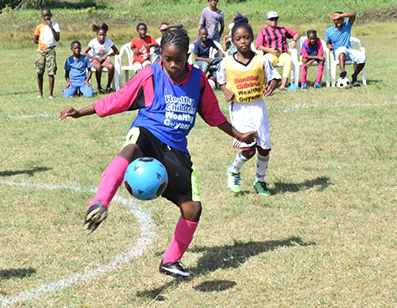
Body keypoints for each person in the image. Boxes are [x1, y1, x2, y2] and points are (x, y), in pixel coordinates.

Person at [59, 28, 257, 280]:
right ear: (160, 56)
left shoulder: (198, 81)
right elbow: (119, 99)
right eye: (167, 59)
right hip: (148, 132)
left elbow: (213, 116)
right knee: (129, 151)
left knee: (192, 209)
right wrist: (82, 111)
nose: (173, 65)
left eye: (179, 59)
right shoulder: (150, 75)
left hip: (176, 149)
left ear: (188, 55)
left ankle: (171, 260)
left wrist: (238, 135)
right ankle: (99, 203)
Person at [217, 21, 280, 196]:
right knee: (248, 148)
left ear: (252, 38)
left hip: (258, 106)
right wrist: (225, 90)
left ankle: (260, 180)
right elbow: (220, 79)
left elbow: (275, 77)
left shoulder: (261, 60)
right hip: (240, 108)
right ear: (233, 41)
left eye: (246, 37)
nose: (243, 41)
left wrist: (272, 85)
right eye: (238, 39)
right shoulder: (227, 62)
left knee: (264, 147)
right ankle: (234, 168)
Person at [255, 11, 299, 90]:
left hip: (282, 53)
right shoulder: (263, 32)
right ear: (267, 21)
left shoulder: (282, 30)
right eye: (272, 19)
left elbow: (296, 34)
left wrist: (294, 41)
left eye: (275, 19)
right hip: (270, 53)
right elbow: (259, 46)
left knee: (288, 60)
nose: (274, 21)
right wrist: (270, 50)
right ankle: (268, 83)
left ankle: (283, 84)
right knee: (268, 61)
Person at [325, 10, 365, 86]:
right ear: (334, 21)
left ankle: (354, 76)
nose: (338, 21)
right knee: (342, 49)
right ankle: (342, 72)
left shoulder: (347, 26)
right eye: (336, 19)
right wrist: (329, 46)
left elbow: (354, 14)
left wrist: (340, 15)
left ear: (343, 19)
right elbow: (328, 43)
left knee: (362, 58)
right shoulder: (328, 31)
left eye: (340, 19)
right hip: (338, 52)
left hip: (349, 50)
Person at [33, 8, 60, 99]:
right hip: (40, 51)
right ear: (42, 17)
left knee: (51, 72)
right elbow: (35, 39)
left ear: (51, 15)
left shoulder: (55, 25)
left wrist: (51, 27)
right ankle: (40, 93)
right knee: (39, 72)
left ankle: (50, 94)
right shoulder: (39, 26)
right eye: (45, 16)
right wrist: (42, 44)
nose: (47, 17)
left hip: (50, 50)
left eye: (48, 15)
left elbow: (57, 38)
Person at [85, 23, 118, 94]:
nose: (102, 37)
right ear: (97, 34)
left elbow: (116, 51)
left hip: (104, 60)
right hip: (95, 60)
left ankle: (108, 86)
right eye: (100, 35)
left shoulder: (108, 41)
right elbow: (84, 53)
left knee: (111, 67)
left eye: (104, 35)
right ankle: (99, 87)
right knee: (98, 67)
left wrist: (108, 55)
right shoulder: (93, 42)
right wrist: (94, 57)